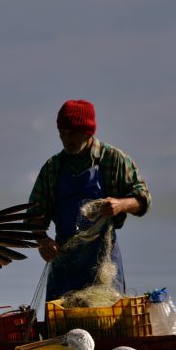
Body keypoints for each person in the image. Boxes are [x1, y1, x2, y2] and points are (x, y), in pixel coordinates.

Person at [29, 99, 151, 301]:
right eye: (62, 133)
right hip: (64, 267)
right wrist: (42, 241)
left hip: (104, 265)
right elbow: (33, 215)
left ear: (88, 132)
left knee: (106, 317)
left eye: (73, 134)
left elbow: (143, 200)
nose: (67, 140)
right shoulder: (53, 168)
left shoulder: (114, 159)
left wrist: (121, 205)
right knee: (62, 318)